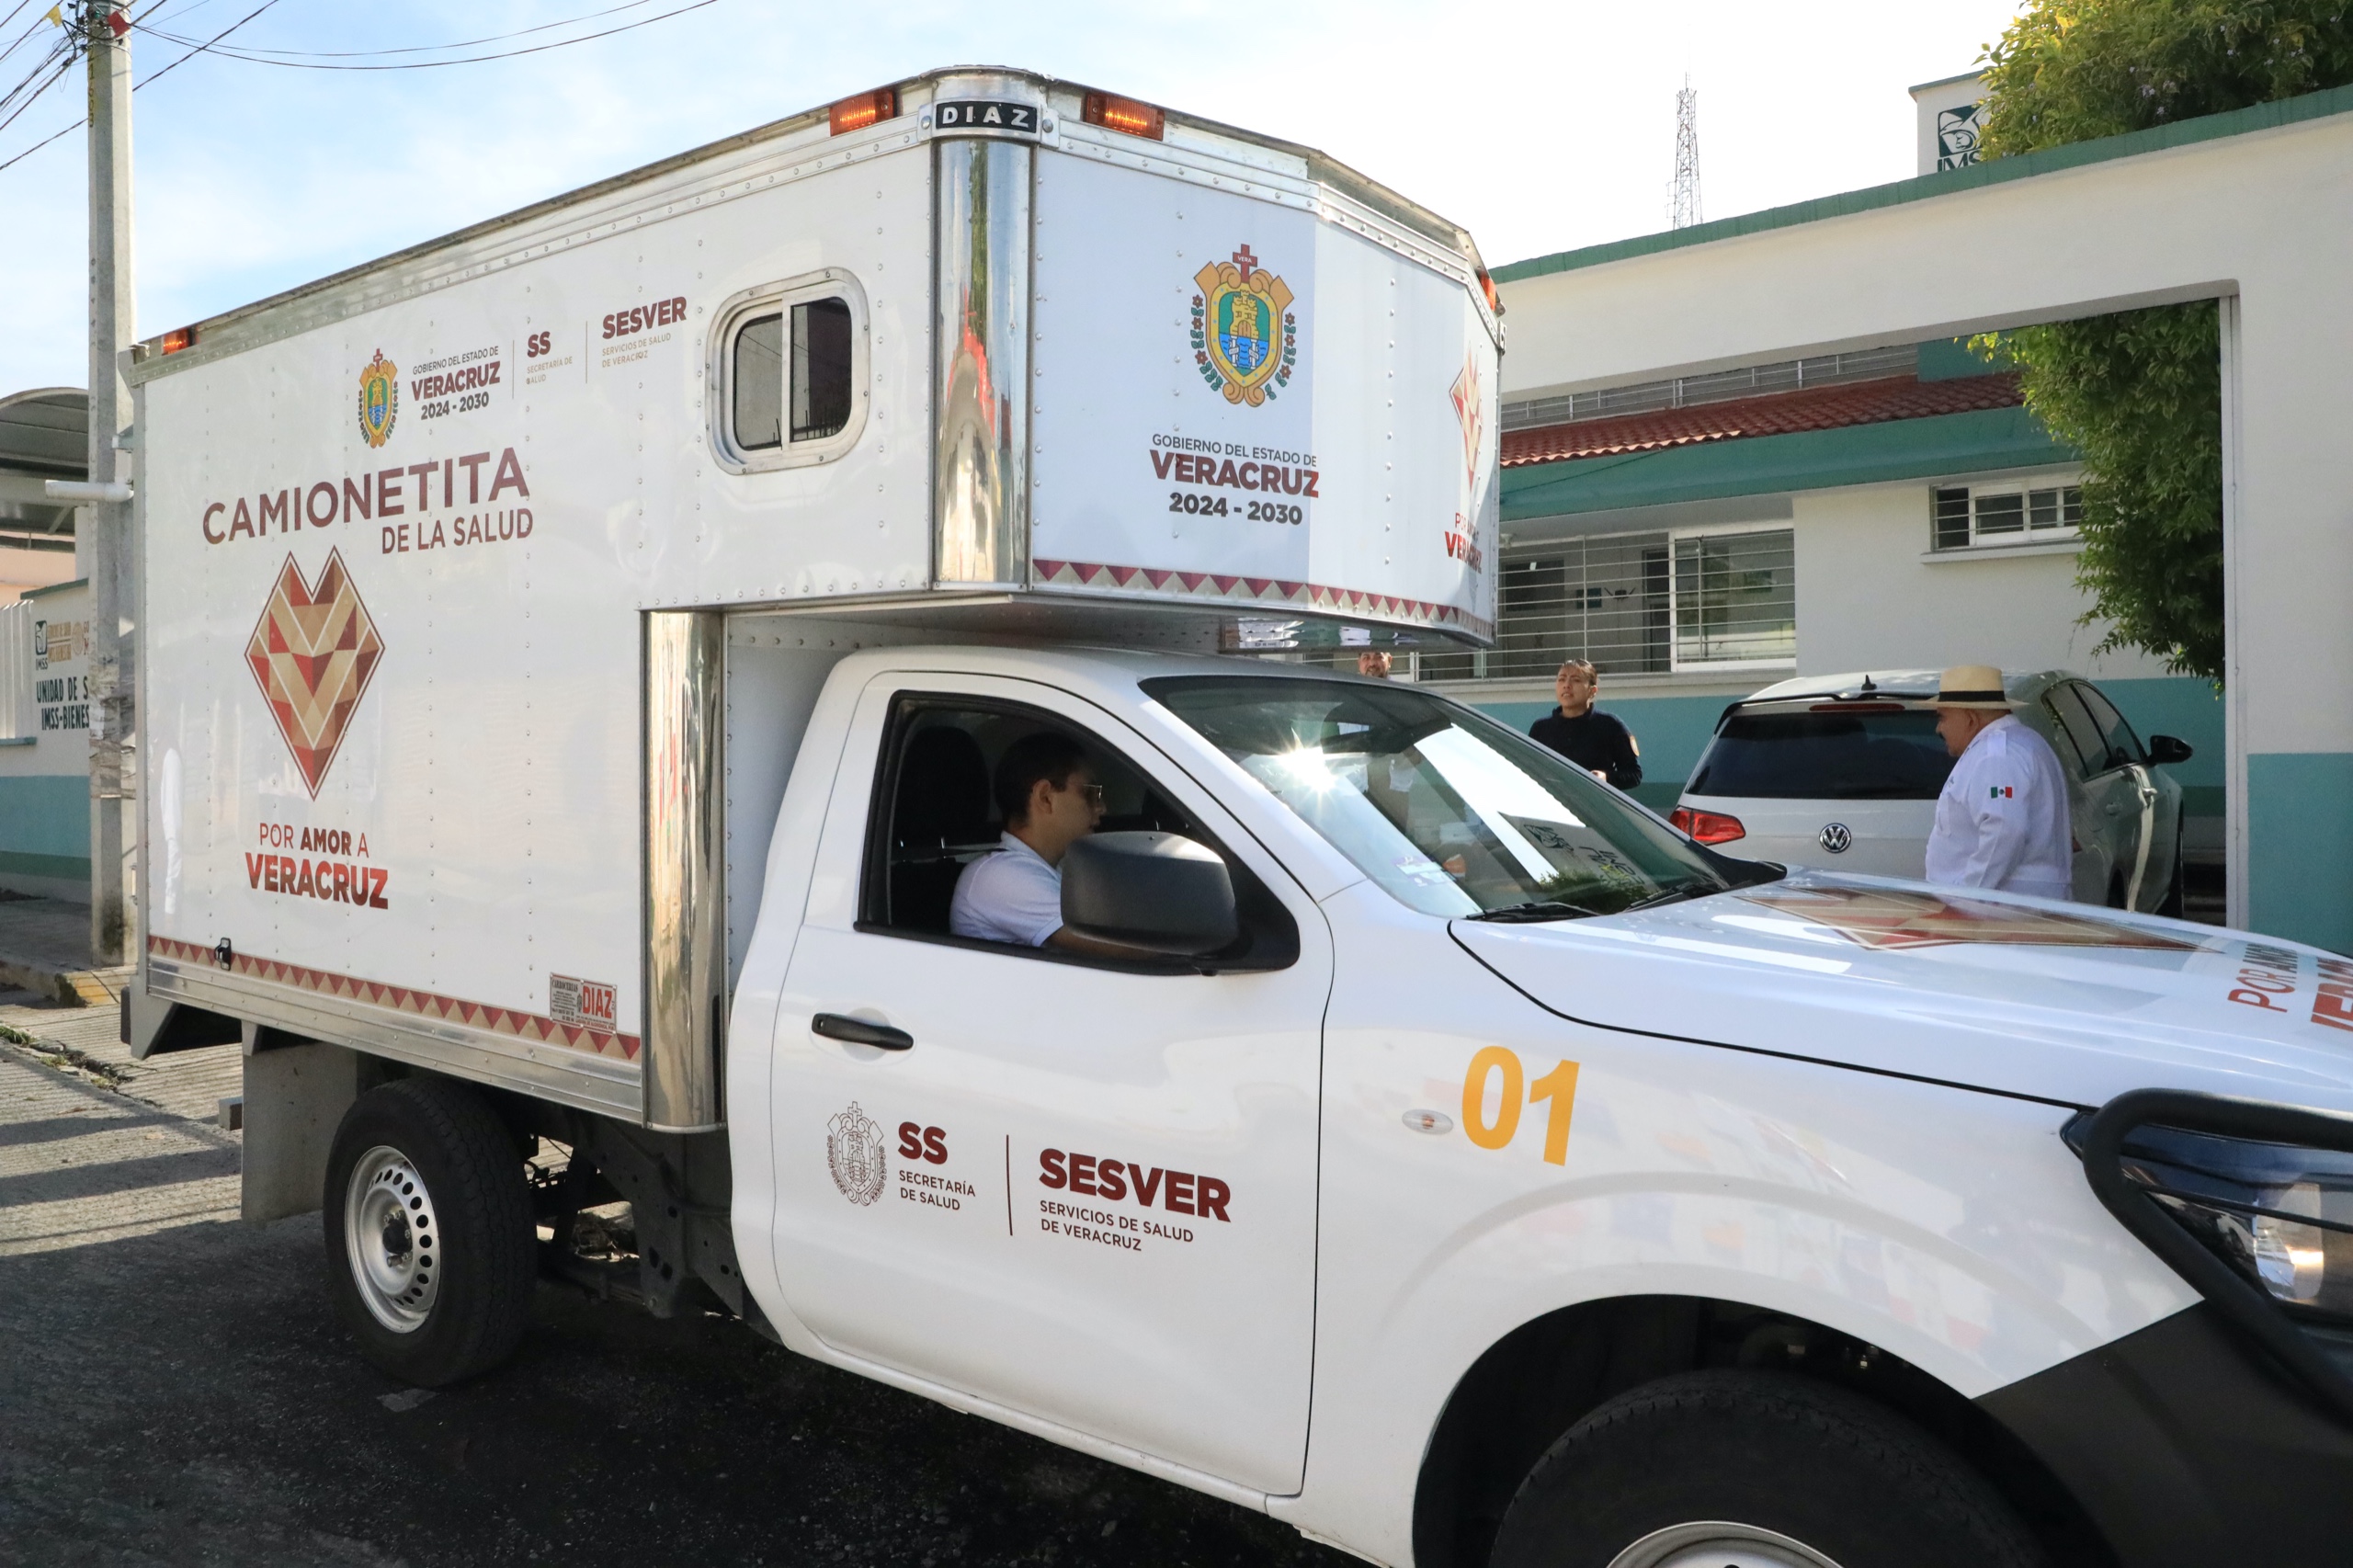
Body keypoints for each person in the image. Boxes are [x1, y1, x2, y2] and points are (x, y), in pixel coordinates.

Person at [950, 731, 1114, 949]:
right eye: (1090, 793)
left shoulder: (1057, 867)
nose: (1102, 808)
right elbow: (1112, 945)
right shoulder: (1001, 874)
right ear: (1045, 797)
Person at [1923, 664, 2073, 901]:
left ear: (1970, 719)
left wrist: (1967, 897)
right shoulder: (2019, 744)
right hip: (2011, 907)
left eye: (1943, 717)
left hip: (2003, 911)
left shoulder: (1996, 757)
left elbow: (2005, 830)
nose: (1938, 728)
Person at [1529, 659, 1642, 789]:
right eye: (1561, 679)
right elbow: (1527, 771)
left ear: (1592, 691)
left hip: (1593, 804)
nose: (1566, 685)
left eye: (1576, 680)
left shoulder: (1610, 726)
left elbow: (1634, 774)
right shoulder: (1541, 729)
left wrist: (1606, 778)